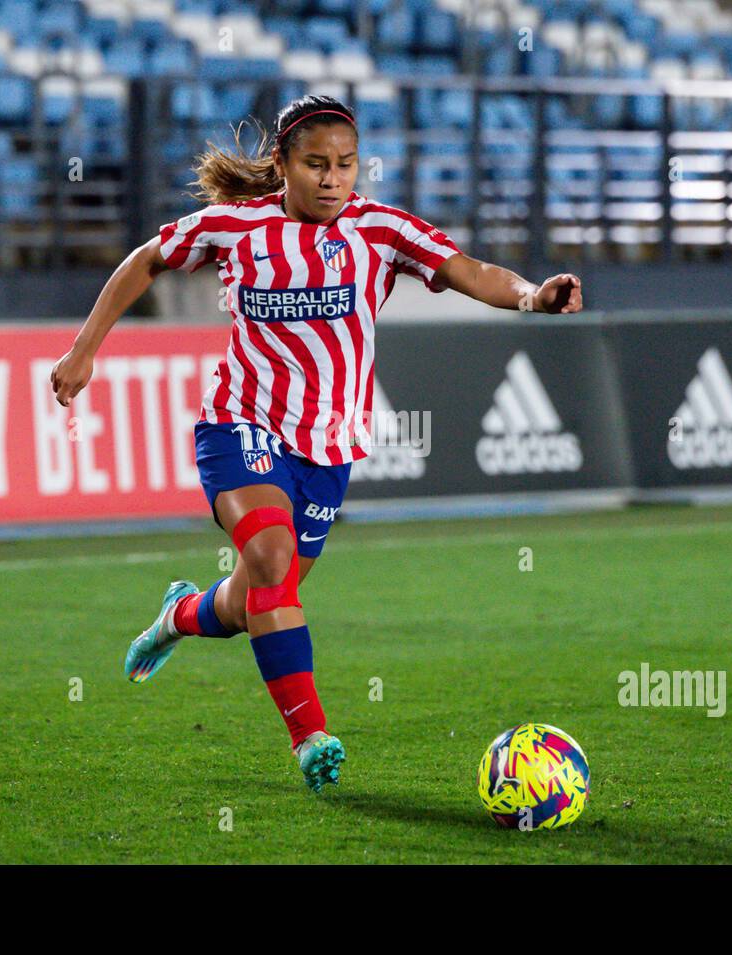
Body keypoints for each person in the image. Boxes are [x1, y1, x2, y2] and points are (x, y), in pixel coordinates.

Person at [50, 95, 583, 788]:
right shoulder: (233, 225)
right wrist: (83, 350)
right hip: (238, 423)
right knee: (271, 558)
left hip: (328, 449)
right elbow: (145, 261)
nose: (333, 179)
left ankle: (179, 613)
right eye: (316, 165)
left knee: (254, 600)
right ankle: (311, 738)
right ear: (283, 164)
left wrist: (532, 295)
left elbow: (468, 271)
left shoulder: (381, 231)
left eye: (345, 165)